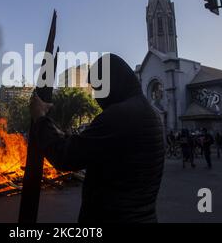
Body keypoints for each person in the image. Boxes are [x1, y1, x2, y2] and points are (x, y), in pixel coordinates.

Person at [29, 54, 165, 223]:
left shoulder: (119, 116)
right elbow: (90, 146)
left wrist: (40, 118)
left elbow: (65, 156)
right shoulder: (149, 113)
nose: (96, 96)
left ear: (111, 82)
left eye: (98, 87)